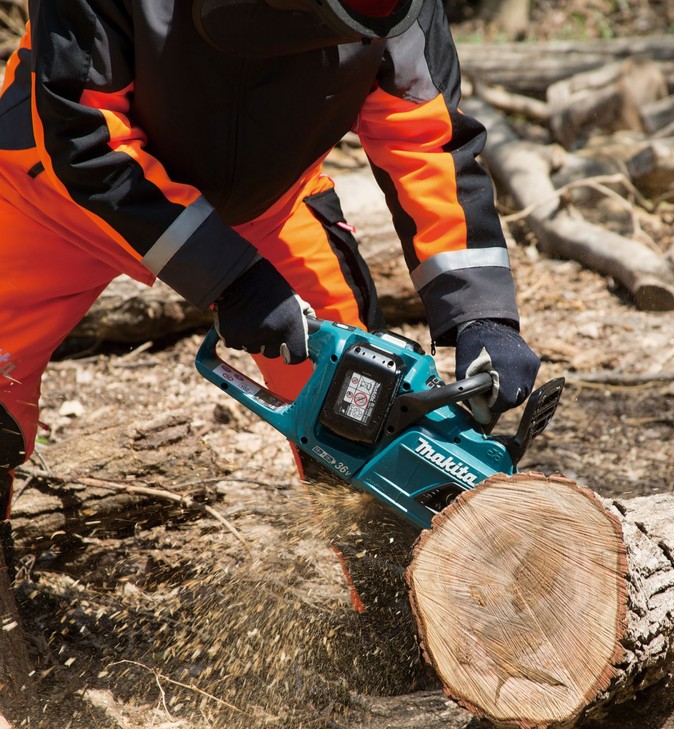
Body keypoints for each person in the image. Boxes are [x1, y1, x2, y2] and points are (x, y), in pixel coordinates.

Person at [0, 0, 540, 554]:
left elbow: (426, 139)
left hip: (273, 202)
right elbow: (85, 135)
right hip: (51, 191)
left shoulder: (398, 7)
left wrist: (481, 312)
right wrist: (230, 279)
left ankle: (403, 595)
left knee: (364, 409)